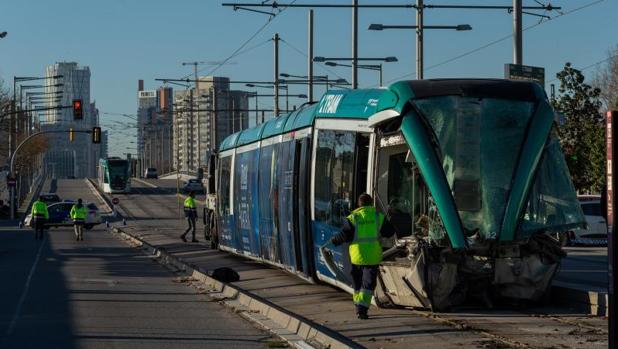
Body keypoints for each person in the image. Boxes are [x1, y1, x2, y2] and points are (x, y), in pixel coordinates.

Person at [330, 193, 395, 319]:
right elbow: (390, 232)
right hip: (372, 257)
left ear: (359, 205)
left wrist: (334, 240)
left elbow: (345, 235)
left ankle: (358, 306)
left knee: (357, 284)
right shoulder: (378, 217)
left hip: (356, 257)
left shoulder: (353, 218)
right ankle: (362, 309)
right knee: (368, 285)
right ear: (371, 204)